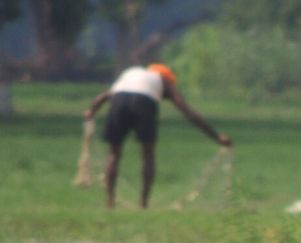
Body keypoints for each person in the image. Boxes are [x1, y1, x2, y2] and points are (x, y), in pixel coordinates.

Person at [84, 63, 231, 209]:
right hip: (144, 103)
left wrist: (91, 111)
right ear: (167, 78)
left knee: (114, 153)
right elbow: (188, 112)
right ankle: (143, 204)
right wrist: (216, 136)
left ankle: (110, 203)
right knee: (148, 153)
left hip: (119, 99)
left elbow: (103, 97)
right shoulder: (163, 81)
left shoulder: (132, 73)